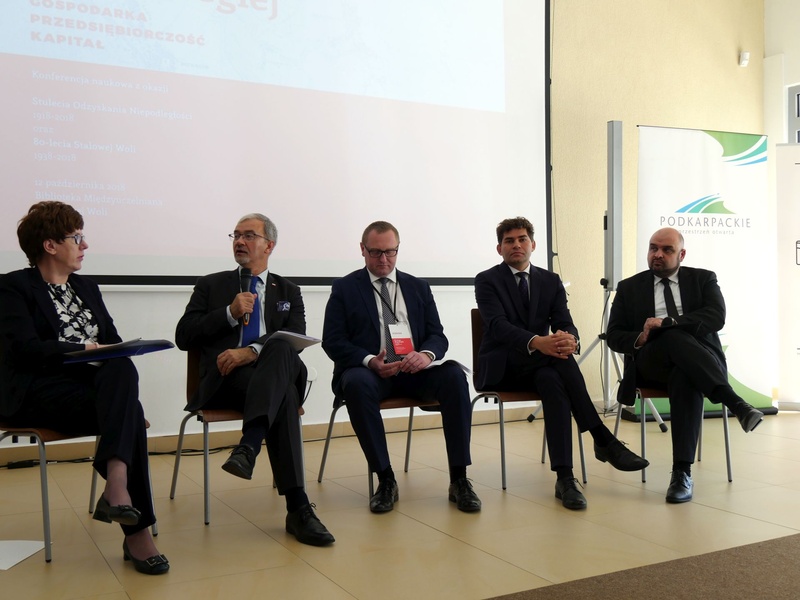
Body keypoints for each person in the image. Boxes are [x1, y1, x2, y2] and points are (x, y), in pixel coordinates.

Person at [0, 202, 168, 574]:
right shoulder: (13, 287)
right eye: (76, 238)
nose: (85, 245)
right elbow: (25, 350)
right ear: (50, 245)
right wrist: (86, 349)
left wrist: (110, 350)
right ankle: (135, 530)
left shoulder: (87, 287)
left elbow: (114, 341)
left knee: (120, 365)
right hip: (39, 391)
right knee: (130, 411)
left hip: (92, 390)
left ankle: (119, 488)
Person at [175, 213, 334, 546]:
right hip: (227, 380)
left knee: (282, 346)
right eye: (236, 235)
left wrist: (251, 351)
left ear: (269, 245)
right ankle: (298, 508)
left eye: (249, 235)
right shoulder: (211, 285)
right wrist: (228, 314)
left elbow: (297, 337)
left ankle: (249, 445)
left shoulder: (289, 290)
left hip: (269, 374)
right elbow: (184, 336)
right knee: (285, 396)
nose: (239, 241)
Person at [474, 216, 648, 510]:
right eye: (509, 241)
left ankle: (565, 478)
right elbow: (498, 326)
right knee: (559, 363)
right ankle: (602, 438)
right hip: (503, 367)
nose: (516, 245)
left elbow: (564, 321)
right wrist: (537, 342)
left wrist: (570, 339)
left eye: (522, 239)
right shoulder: (487, 280)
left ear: (533, 244)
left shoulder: (549, 280)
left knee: (552, 379)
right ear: (499, 249)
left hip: (541, 368)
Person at [322, 221, 481, 513]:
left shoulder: (418, 287)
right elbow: (332, 341)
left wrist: (426, 355)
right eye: (376, 252)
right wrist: (369, 361)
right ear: (362, 250)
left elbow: (437, 335)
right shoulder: (345, 288)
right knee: (355, 383)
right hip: (371, 374)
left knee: (454, 377)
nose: (383, 259)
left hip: (414, 372)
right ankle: (386, 480)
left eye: (390, 252)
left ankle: (459, 479)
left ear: (398, 249)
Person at [606, 227, 764, 503]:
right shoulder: (629, 287)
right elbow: (614, 335)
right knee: (670, 338)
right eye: (653, 248)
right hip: (650, 363)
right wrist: (643, 336)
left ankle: (681, 473)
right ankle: (735, 403)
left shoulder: (703, 279)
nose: (658, 254)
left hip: (696, 362)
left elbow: (716, 316)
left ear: (681, 254)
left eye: (667, 250)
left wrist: (669, 323)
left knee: (684, 371)